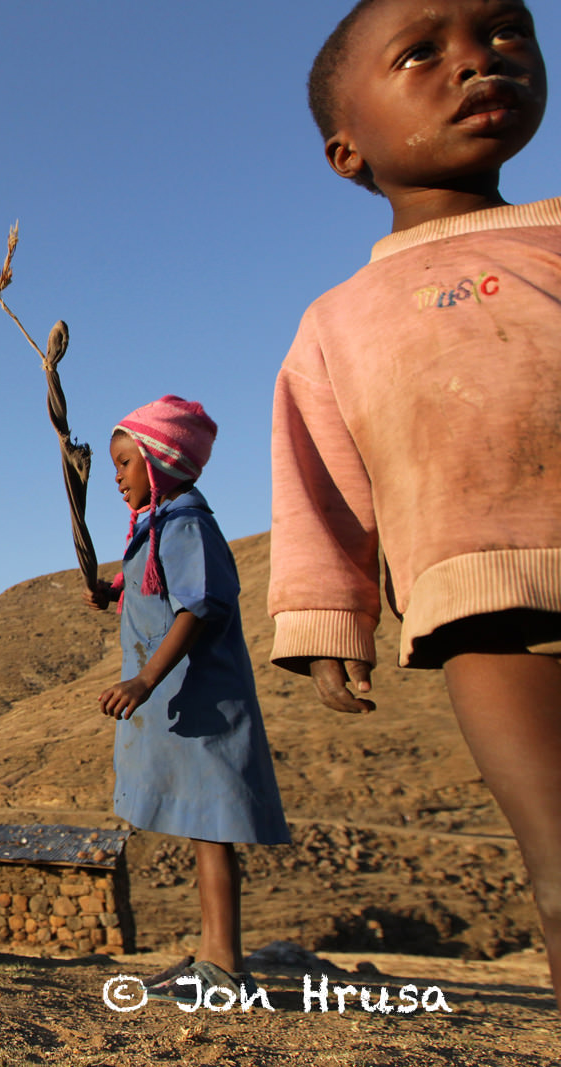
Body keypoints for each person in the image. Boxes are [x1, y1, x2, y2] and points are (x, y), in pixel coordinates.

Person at [272, 0, 560, 1009]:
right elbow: (318, 479)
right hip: (483, 609)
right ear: (346, 149)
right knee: (559, 867)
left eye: (506, 33)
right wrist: (328, 617)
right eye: (422, 53)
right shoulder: (338, 319)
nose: (478, 61)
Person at [84, 396, 289, 999]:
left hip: (202, 701)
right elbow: (158, 588)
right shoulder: (160, 526)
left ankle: (224, 965)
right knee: (203, 825)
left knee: (212, 828)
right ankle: (211, 955)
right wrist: (114, 593)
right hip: (184, 702)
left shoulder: (186, 525)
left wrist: (145, 680)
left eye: (125, 463)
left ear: (160, 461)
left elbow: (196, 607)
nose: (117, 477)